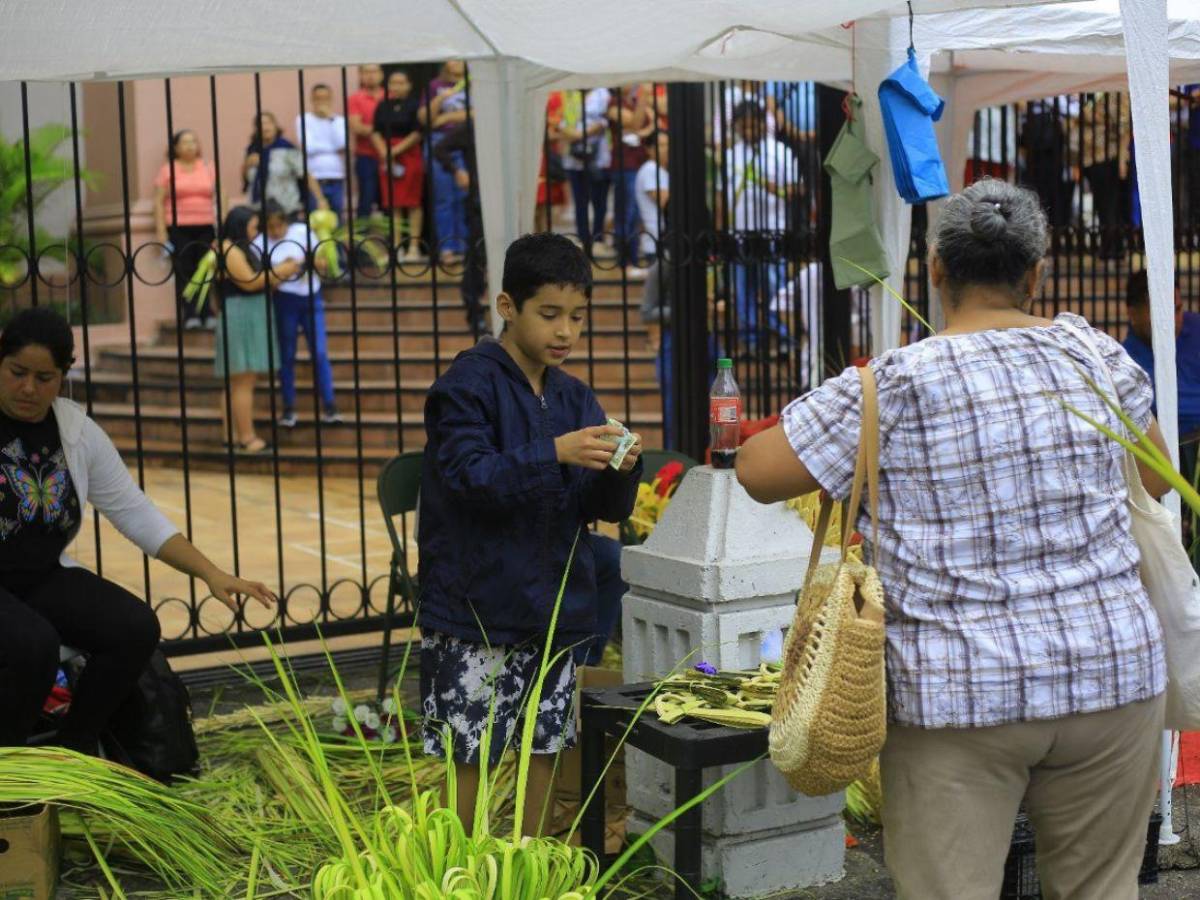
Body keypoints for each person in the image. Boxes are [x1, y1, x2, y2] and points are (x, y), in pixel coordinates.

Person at [736, 179, 1173, 900]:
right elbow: (1154, 478)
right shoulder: (1091, 353)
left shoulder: (895, 381)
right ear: (1037, 274)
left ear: (935, 270)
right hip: (1111, 676)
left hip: (959, 692)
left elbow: (757, 471)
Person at [418, 232, 642, 837]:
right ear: (507, 306)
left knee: (544, 745)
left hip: (553, 607)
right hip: (477, 607)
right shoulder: (466, 386)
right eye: (549, 314)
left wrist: (623, 468)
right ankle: (459, 870)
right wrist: (554, 452)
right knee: (469, 753)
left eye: (577, 317)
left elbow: (597, 506)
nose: (565, 331)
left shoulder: (574, 396)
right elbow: (468, 478)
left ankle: (530, 862)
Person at [0, 307, 276, 753]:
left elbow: (134, 511)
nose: (29, 388)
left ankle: (73, 751)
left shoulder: (74, 430)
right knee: (34, 646)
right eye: (17, 372)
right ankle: (10, 773)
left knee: (134, 628)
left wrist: (211, 573)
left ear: (63, 375)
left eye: (45, 377)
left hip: (37, 577)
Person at [214, 206, 299, 454]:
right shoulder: (229, 248)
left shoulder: (240, 247)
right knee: (243, 379)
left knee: (237, 381)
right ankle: (247, 438)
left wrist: (279, 273)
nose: (255, 231)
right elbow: (249, 281)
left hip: (247, 312)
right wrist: (282, 270)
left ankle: (232, 435)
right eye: (252, 226)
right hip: (242, 315)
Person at [720, 101, 798, 352]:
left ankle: (784, 337)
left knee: (776, 288)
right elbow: (723, 196)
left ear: (763, 124)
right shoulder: (731, 155)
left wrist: (774, 189)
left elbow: (798, 190)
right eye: (744, 126)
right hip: (740, 233)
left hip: (772, 232)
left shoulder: (780, 151)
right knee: (743, 292)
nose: (749, 130)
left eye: (754, 125)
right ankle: (751, 340)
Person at [260, 202, 342, 428]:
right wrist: (282, 271)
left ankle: (329, 404)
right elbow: (264, 281)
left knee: (319, 351)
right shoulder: (262, 243)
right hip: (285, 299)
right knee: (287, 354)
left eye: (279, 226)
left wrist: (302, 263)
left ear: (286, 222)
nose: (276, 232)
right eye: (271, 227)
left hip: (311, 295)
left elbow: (322, 263)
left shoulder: (302, 232)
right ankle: (288, 407)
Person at [1124, 269, 1200, 496]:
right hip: (1173, 455)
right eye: (1160, 311)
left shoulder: (1196, 329)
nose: (1173, 321)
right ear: (1132, 314)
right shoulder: (1124, 361)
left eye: (1177, 309)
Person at [154, 129, 223, 331]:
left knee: (206, 268)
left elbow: (220, 195)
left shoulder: (208, 167)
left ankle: (207, 312)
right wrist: (161, 233)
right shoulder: (168, 170)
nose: (190, 145)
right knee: (185, 270)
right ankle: (190, 314)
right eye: (185, 142)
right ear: (176, 148)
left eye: (193, 141)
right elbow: (158, 201)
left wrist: (223, 225)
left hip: (206, 225)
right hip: (178, 227)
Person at [433, 115, 487, 335]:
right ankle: (475, 313)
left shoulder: (511, 123)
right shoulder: (474, 125)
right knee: (477, 258)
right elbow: (440, 148)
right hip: (478, 199)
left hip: (507, 199)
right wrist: (457, 171)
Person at [419, 60, 471, 263]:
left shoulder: (474, 83)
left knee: (465, 197)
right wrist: (440, 99)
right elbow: (425, 119)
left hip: (466, 143)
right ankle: (447, 247)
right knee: (444, 199)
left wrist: (447, 117)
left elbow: (480, 113)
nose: (456, 62)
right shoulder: (435, 86)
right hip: (439, 142)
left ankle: (466, 246)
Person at [372, 69, 425, 260]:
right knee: (392, 203)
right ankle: (396, 247)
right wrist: (384, 152)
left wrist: (395, 150)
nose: (397, 86)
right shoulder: (382, 105)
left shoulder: (415, 105)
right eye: (393, 82)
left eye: (401, 82)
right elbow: (375, 131)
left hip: (408, 154)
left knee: (412, 202)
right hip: (387, 156)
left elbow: (418, 132)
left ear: (409, 85)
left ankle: (413, 247)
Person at [243, 112, 328, 220]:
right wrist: (247, 165)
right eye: (260, 124)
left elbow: (305, 174)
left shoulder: (287, 148)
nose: (265, 127)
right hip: (258, 211)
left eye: (268, 123)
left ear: (275, 126)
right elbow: (246, 180)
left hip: (286, 209)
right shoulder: (252, 150)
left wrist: (320, 199)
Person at [559, 88, 612, 257]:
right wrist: (574, 135)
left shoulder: (602, 93)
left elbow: (605, 121)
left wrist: (582, 134)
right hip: (574, 158)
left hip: (598, 158)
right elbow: (561, 122)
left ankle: (598, 239)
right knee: (580, 202)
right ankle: (582, 240)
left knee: (599, 201)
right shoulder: (569, 93)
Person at [607, 84, 654, 274]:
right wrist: (645, 100)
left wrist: (639, 131)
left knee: (636, 212)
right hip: (624, 165)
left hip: (640, 162)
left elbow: (652, 124)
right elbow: (635, 123)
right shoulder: (614, 104)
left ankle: (633, 257)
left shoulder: (634, 102)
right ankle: (625, 259)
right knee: (627, 212)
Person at [1079, 93, 1130, 260]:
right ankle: (1109, 245)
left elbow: (1125, 128)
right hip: (1090, 158)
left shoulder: (1116, 93)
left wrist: (1122, 159)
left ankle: (1114, 247)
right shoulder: (1093, 92)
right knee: (1102, 205)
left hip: (1108, 157)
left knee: (1110, 204)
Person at [636, 130, 670, 351]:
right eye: (661, 145)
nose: (666, 150)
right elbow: (665, 201)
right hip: (655, 241)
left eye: (668, 145)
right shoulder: (650, 170)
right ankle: (654, 341)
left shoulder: (661, 171)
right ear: (649, 149)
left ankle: (657, 341)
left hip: (663, 240)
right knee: (655, 294)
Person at [296, 83, 347, 215]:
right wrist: (332, 149)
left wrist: (331, 119)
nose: (321, 102)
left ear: (331, 99)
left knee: (337, 216)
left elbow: (342, 143)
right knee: (315, 217)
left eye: (325, 98)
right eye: (318, 98)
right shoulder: (303, 119)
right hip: (314, 176)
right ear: (312, 100)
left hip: (336, 175)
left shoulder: (338, 120)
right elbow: (309, 147)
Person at [347, 64, 385, 220]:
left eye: (374, 71)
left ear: (381, 74)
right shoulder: (355, 98)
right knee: (366, 201)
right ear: (360, 75)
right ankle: (362, 243)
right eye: (366, 72)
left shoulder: (389, 95)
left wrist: (370, 128)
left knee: (391, 201)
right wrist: (383, 129)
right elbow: (356, 127)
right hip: (366, 156)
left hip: (395, 155)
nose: (371, 75)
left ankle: (393, 241)